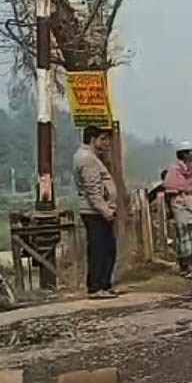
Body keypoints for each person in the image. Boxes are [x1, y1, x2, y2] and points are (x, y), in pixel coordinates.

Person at [73, 126, 118, 299]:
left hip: (96, 210)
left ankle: (103, 285)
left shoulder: (89, 157)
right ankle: (96, 286)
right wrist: (106, 210)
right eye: (103, 139)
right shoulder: (87, 159)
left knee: (106, 248)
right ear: (93, 140)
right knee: (100, 249)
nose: (106, 143)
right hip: (95, 212)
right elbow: (93, 190)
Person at [163, 142, 192, 278]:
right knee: (184, 234)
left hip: (189, 202)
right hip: (179, 203)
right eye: (190, 152)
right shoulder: (174, 169)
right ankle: (187, 266)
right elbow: (170, 190)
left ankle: (191, 263)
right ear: (183, 154)